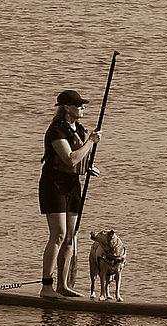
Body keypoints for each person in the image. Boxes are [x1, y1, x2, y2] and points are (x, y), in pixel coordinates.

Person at [38, 90, 102, 299]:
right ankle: (46, 286)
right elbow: (70, 159)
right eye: (78, 105)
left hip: (73, 185)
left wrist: (87, 168)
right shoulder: (56, 130)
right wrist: (91, 142)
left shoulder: (79, 129)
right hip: (53, 185)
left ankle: (62, 286)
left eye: (83, 105)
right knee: (58, 235)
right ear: (66, 107)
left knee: (70, 237)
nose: (83, 108)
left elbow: (79, 163)